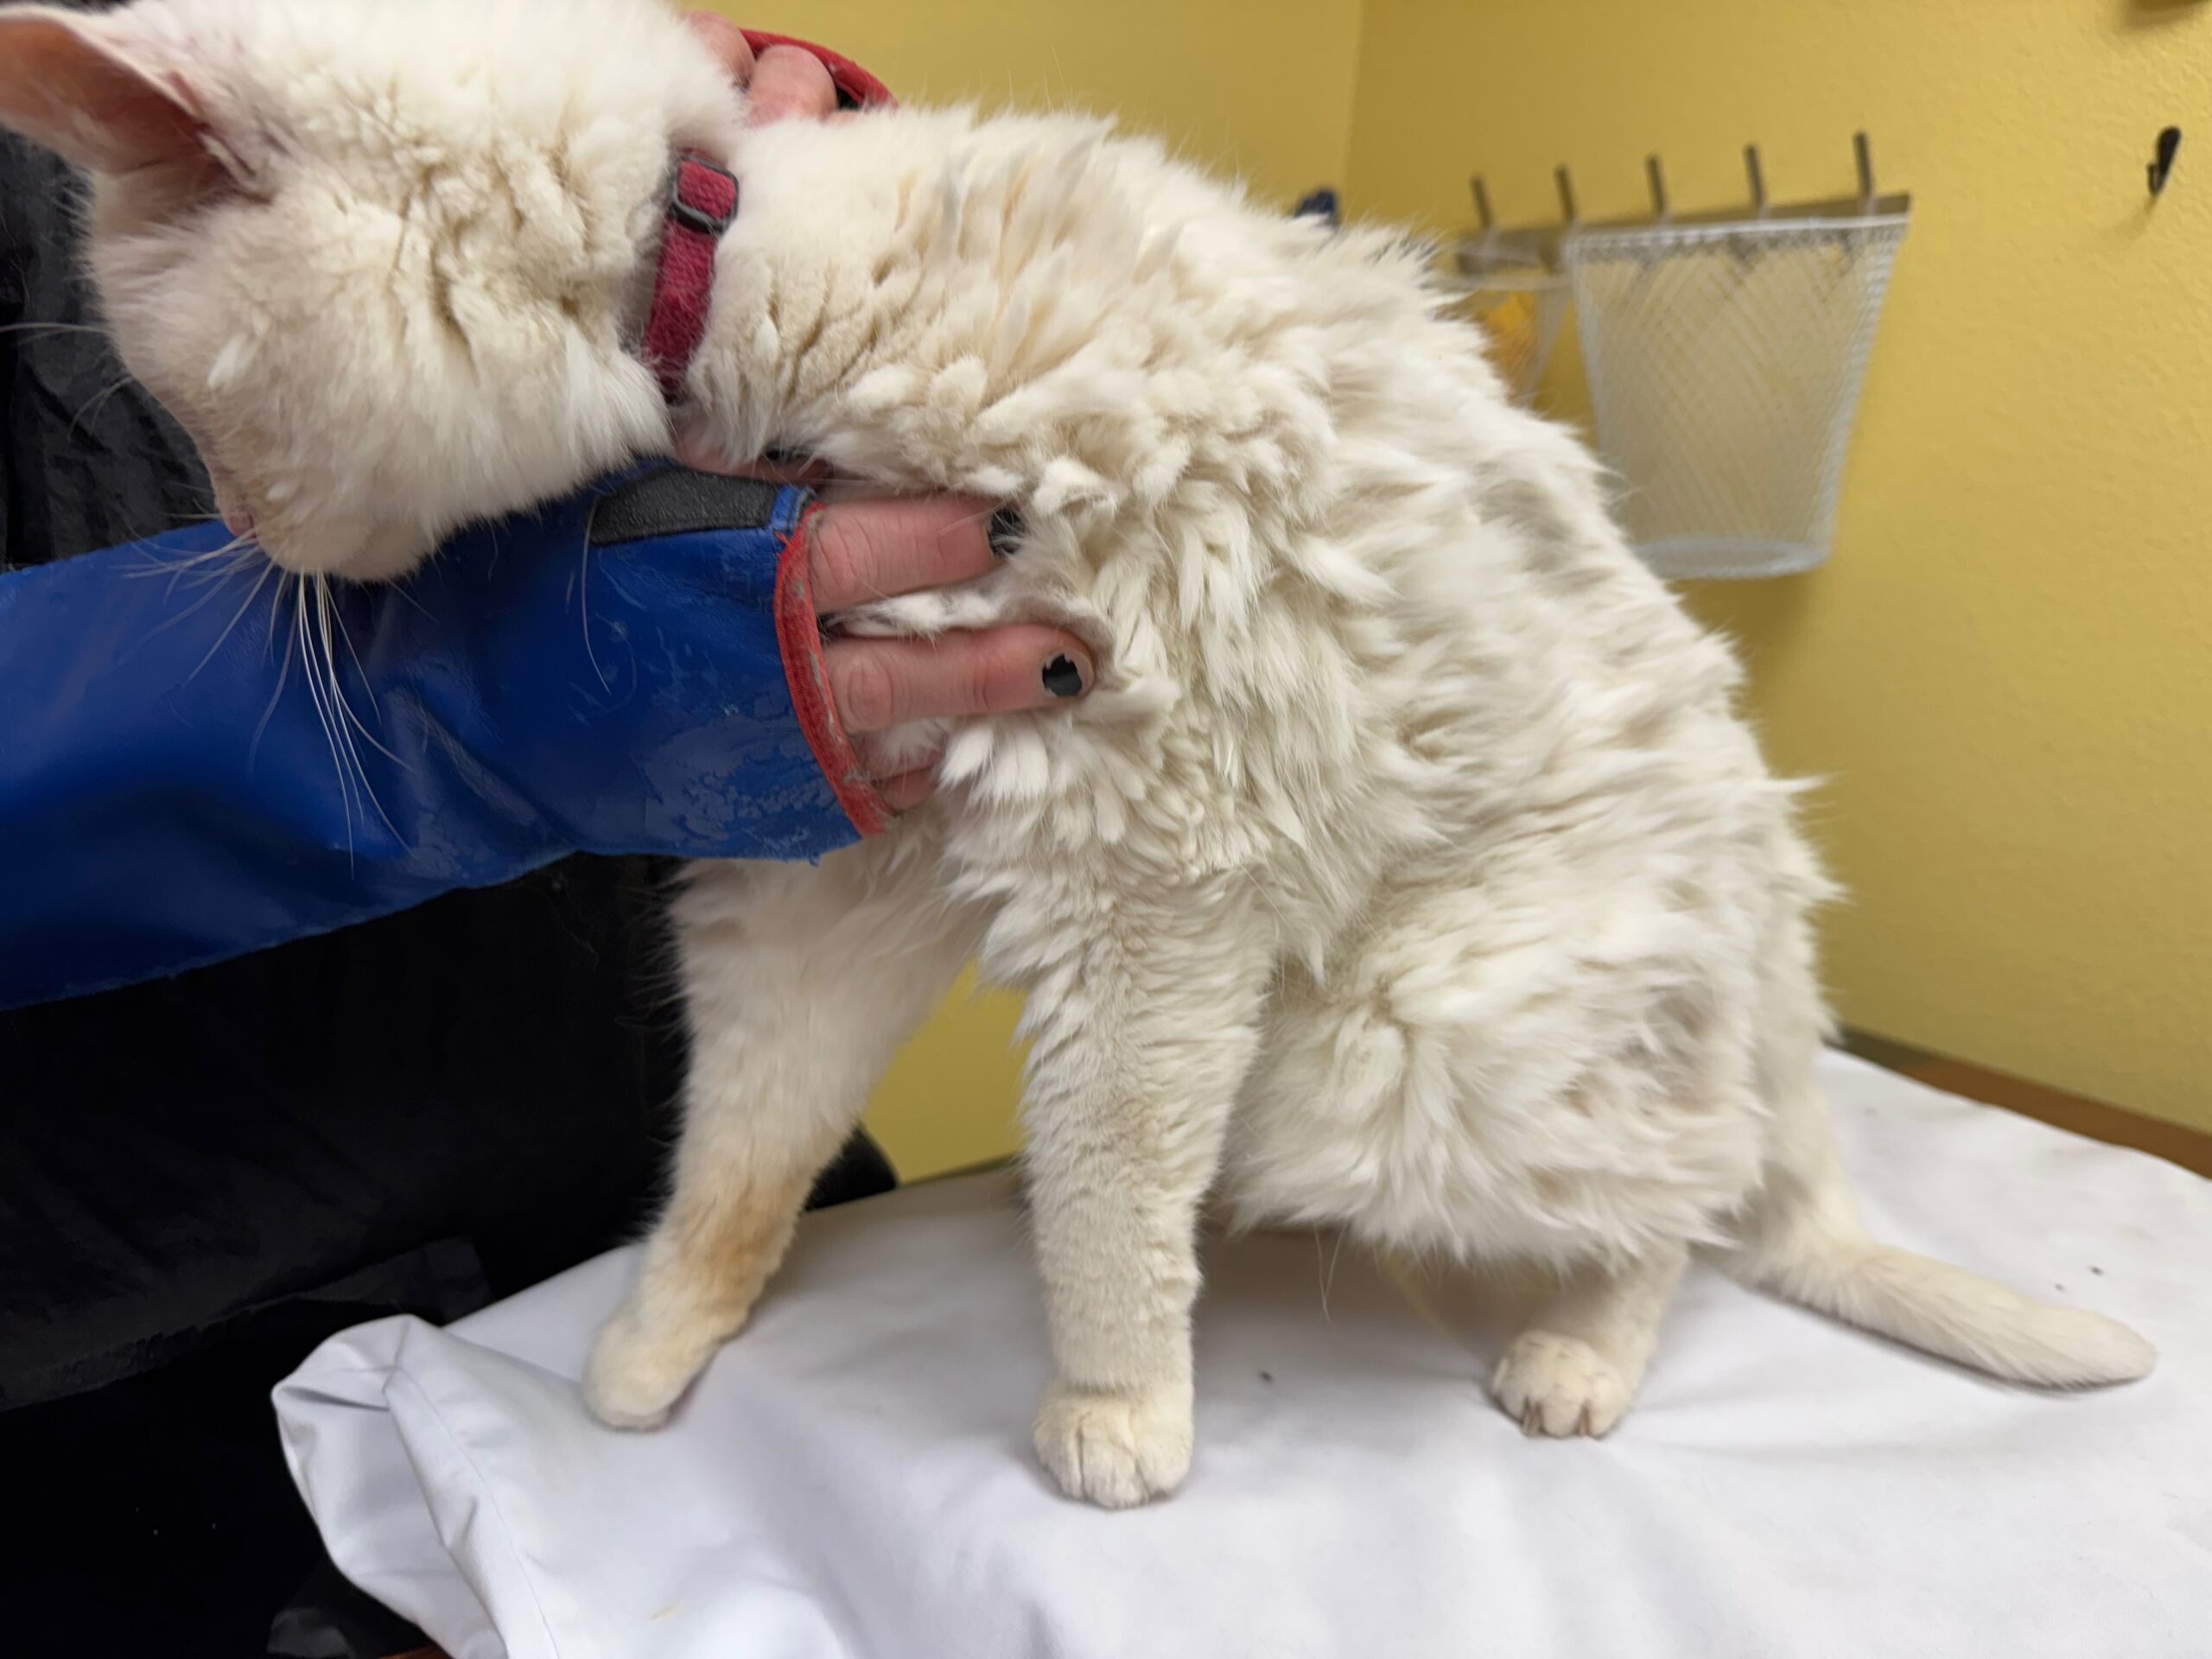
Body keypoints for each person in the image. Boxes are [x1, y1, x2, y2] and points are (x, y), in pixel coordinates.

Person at [0, 18, 1091, 1011]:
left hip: (627, 1095)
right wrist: (445, 708)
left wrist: (736, 247)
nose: (235, 522)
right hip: (187, 1184)